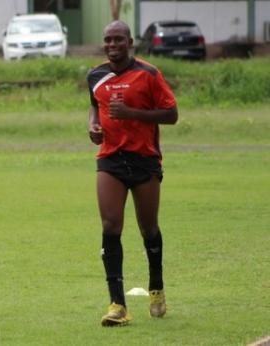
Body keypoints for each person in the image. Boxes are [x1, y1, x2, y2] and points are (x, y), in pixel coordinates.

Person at [86, 21, 178, 327]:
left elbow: (171, 114)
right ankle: (117, 305)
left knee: (148, 229)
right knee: (110, 226)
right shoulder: (95, 75)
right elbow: (94, 106)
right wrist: (93, 126)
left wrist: (131, 113)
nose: (112, 45)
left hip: (144, 160)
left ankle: (156, 287)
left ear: (130, 42)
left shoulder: (149, 74)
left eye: (118, 40)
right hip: (110, 159)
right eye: (107, 40)